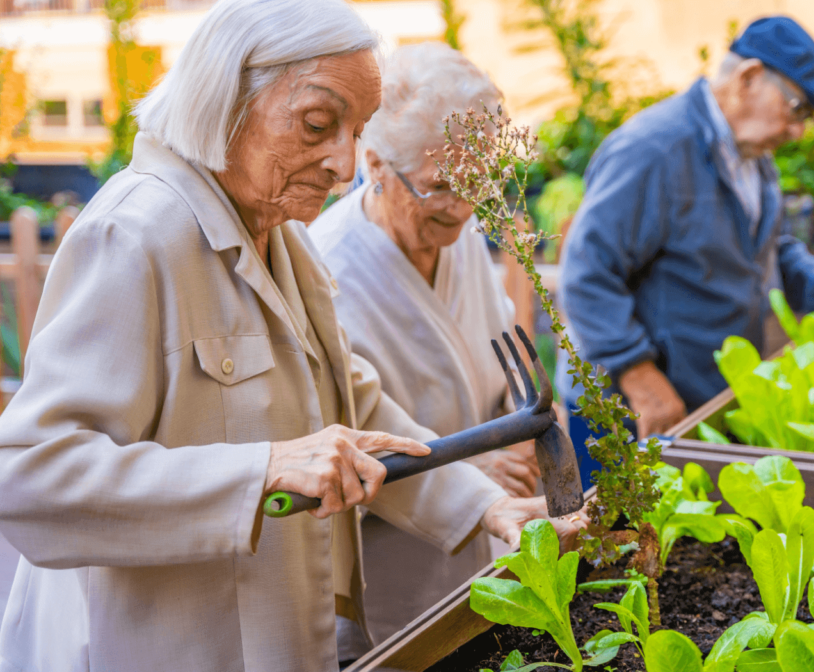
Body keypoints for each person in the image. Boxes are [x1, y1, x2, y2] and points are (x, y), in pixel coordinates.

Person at [0, 2, 583, 670]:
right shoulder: (134, 234)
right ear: (227, 97)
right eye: (316, 124)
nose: (343, 165)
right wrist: (261, 469)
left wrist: (487, 508)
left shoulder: (283, 235)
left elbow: (353, 407)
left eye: (356, 132)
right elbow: (28, 477)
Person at [308, 42, 540, 643]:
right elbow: (334, 448)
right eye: (440, 186)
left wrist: (521, 427)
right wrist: (471, 467)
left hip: (489, 555)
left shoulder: (455, 237)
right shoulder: (325, 273)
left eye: (478, 181)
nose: (463, 209)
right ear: (377, 163)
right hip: (392, 589)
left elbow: (497, 356)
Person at [557, 16, 814, 449]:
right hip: (628, 415)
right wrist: (639, 376)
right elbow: (586, 273)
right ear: (749, 78)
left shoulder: (752, 158)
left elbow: (768, 245)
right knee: (612, 521)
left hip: (701, 405)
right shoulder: (654, 149)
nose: (799, 131)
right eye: (798, 110)